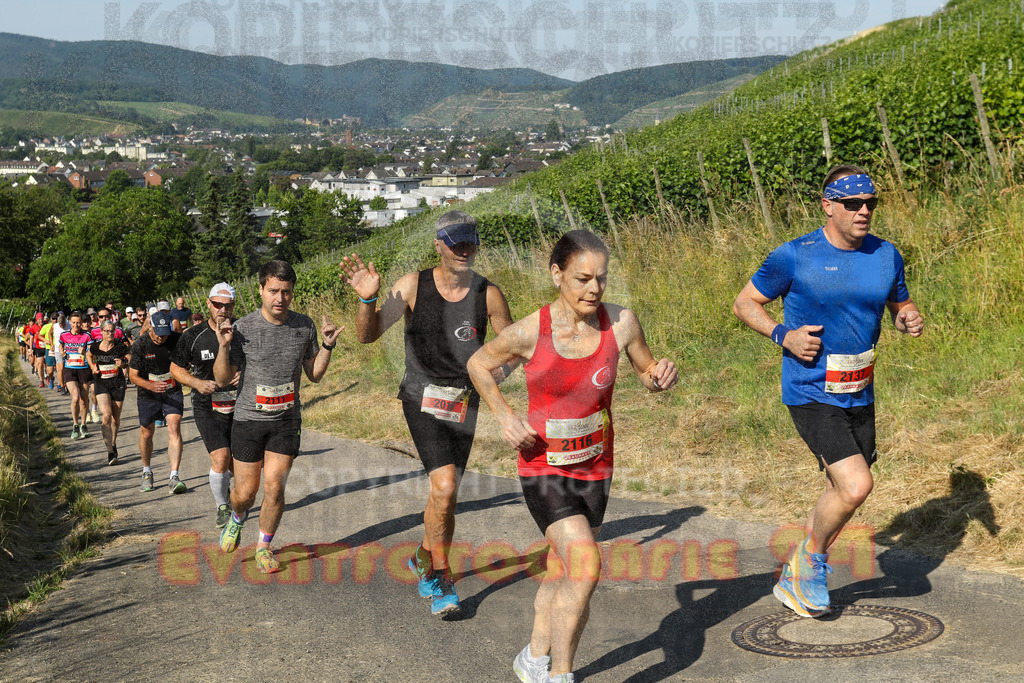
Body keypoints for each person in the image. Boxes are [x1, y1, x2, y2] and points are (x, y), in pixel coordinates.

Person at [467, 230, 678, 682]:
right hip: (543, 466)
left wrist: (659, 377)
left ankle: (533, 658)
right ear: (556, 274)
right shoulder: (528, 331)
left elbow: (645, 370)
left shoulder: (621, 323)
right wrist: (505, 416)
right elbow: (478, 364)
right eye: (583, 279)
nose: (594, 289)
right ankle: (561, 675)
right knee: (585, 566)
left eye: (601, 279)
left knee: (564, 570)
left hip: (596, 466)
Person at [732, 165, 925, 619]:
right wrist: (784, 335)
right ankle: (810, 565)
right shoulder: (795, 256)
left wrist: (907, 317)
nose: (864, 211)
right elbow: (745, 303)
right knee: (857, 485)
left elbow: (900, 300)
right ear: (828, 206)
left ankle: (799, 570)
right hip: (810, 389)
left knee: (842, 489)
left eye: (871, 203)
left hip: (859, 388)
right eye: (853, 204)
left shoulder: (885, 254)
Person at [340, 211, 514, 616]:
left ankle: (424, 556)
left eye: (470, 241)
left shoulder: (488, 294)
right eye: (455, 242)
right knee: (446, 485)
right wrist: (367, 299)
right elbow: (368, 336)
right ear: (438, 244)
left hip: (464, 405)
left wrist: (496, 375)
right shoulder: (412, 287)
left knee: (446, 498)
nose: (464, 249)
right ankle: (440, 578)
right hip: (420, 398)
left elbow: (512, 346)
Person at [214, 260, 341, 574]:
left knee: (274, 486)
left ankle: (263, 547)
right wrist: (223, 347)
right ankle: (237, 517)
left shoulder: (304, 326)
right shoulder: (242, 328)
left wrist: (327, 345)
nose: (280, 298)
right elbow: (221, 378)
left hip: (285, 420)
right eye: (273, 291)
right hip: (248, 420)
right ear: (260, 290)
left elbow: (314, 374)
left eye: (286, 292)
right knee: (245, 493)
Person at [170, 283, 239, 528]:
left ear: (233, 307)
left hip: (238, 405)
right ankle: (222, 507)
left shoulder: (241, 331)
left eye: (227, 305)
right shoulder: (192, 335)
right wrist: (197, 383)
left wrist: (246, 373)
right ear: (208, 304)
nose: (222, 310)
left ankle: (231, 494)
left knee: (236, 462)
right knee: (220, 457)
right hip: (206, 405)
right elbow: (175, 369)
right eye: (217, 304)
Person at [128, 310, 186, 494]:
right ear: (151, 327)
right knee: (146, 433)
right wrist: (150, 386)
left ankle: (174, 476)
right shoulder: (140, 345)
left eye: (165, 334)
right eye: (159, 334)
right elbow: (133, 376)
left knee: (174, 427)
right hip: (148, 392)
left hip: (172, 389)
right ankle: (146, 471)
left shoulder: (176, 339)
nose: (162, 338)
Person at [87, 319, 131, 465]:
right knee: (106, 415)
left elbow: (130, 360)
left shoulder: (120, 346)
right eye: (107, 331)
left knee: (115, 419)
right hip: (101, 382)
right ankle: (110, 453)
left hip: (117, 383)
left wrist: (123, 363)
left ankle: (113, 443)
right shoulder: (95, 346)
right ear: (101, 332)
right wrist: (93, 367)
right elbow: (88, 355)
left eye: (112, 331)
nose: (110, 334)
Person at [59, 312, 94, 440]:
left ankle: (83, 424)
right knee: (75, 398)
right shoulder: (64, 335)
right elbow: (61, 346)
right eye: (74, 322)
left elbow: (92, 352)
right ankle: (75, 424)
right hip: (70, 369)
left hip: (83, 369)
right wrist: (62, 352)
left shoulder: (87, 336)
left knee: (84, 399)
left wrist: (85, 352)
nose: (76, 325)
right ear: (70, 322)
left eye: (78, 322)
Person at [40, 313, 56, 390]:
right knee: (50, 370)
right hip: (49, 349)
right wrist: (45, 340)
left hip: (59, 349)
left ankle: (61, 385)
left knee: (61, 368)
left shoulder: (62, 326)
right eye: (53, 319)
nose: (55, 320)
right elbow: (39, 335)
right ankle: (51, 378)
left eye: (56, 318)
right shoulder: (46, 326)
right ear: (50, 319)